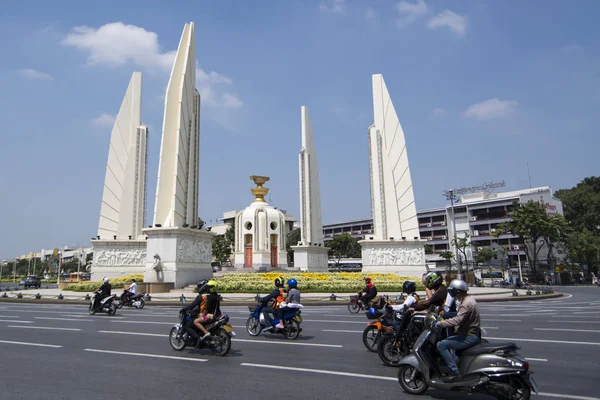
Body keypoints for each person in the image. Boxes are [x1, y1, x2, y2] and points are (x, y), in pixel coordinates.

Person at [434, 279, 481, 382]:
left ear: (457, 291)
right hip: (470, 333)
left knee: (441, 345)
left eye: (452, 291)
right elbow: (460, 315)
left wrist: (440, 323)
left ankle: (455, 372)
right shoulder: (468, 300)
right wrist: (445, 315)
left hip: (469, 335)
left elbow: (458, 320)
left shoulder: (465, 303)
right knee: (452, 344)